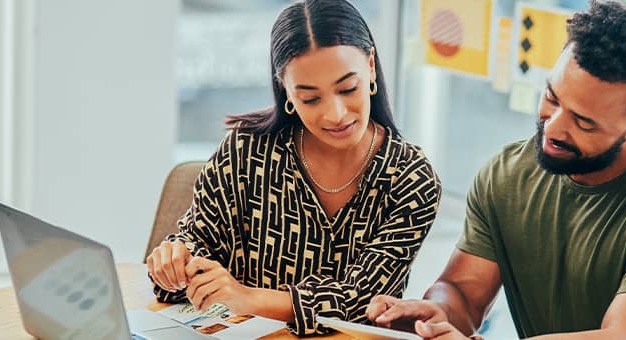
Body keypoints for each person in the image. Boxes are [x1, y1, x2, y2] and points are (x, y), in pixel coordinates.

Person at [367, 1, 626, 339]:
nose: (553, 128)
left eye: (583, 122)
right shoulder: (508, 175)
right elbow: (464, 291)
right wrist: (438, 312)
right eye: (552, 98)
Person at [145, 0, 442, 335]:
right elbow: (199, 242)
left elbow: (363, 301)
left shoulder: (411, 178)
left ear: (371, 67)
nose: (336, 114)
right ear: (285, 91)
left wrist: (247, 298)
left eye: (348, 88)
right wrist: (177, 263)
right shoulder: (244, 151)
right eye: (310, 98)